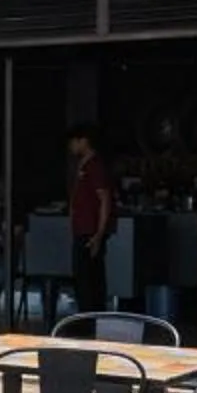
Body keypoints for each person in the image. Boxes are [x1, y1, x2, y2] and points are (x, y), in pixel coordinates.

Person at [66, 123, 118, 315]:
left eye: (74, 142)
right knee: (82, 279)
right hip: (81, 229)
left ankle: (91, 321)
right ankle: (87, 319)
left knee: (89, 281)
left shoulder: (94, 166)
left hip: (90, 232)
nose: (71, 147)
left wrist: (98, 233)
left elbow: (104, 199)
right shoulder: (83, 166)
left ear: (83, 141)